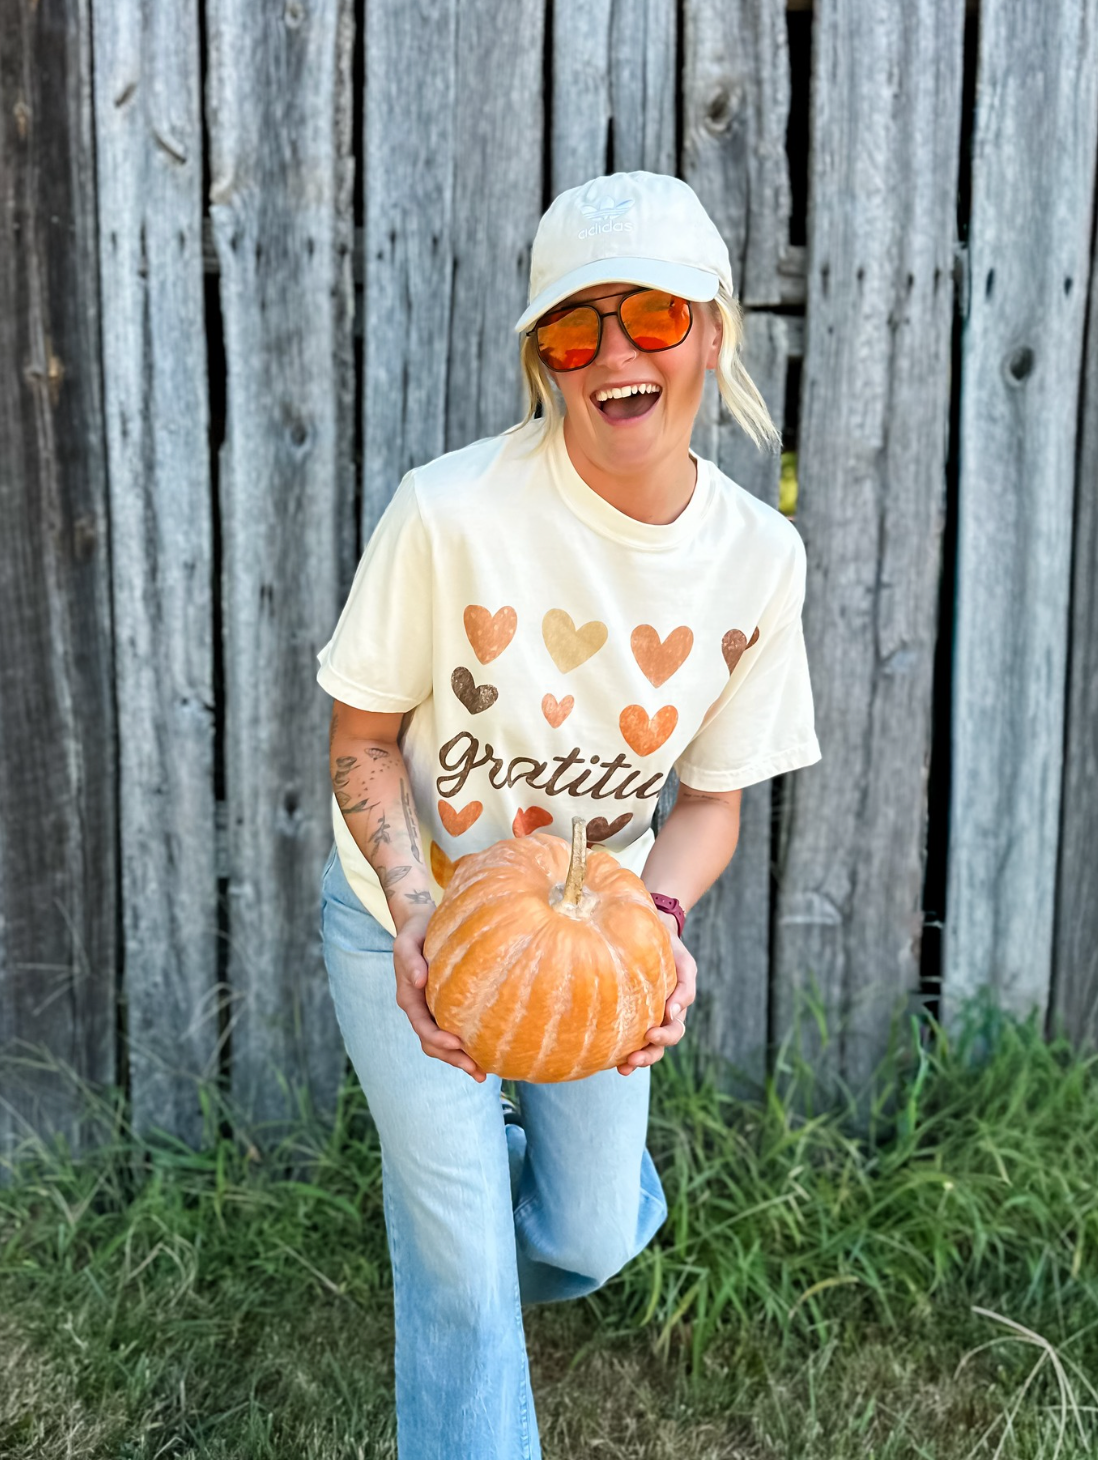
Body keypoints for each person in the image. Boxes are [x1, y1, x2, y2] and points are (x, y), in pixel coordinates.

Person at [316, 170, 821, 1460]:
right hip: (405, 931)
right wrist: (425, 915)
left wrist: (654, 920)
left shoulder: (758, 560)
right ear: (542, 358)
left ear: (710, 330)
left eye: (648, 314)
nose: (610, 355)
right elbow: (363, 743)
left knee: (590, 1234)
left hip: (592, 958)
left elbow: (709, 800)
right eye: (569, 327)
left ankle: (469, 1235)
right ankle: (457, 1262)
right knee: (466, 1274)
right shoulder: (449, 513)